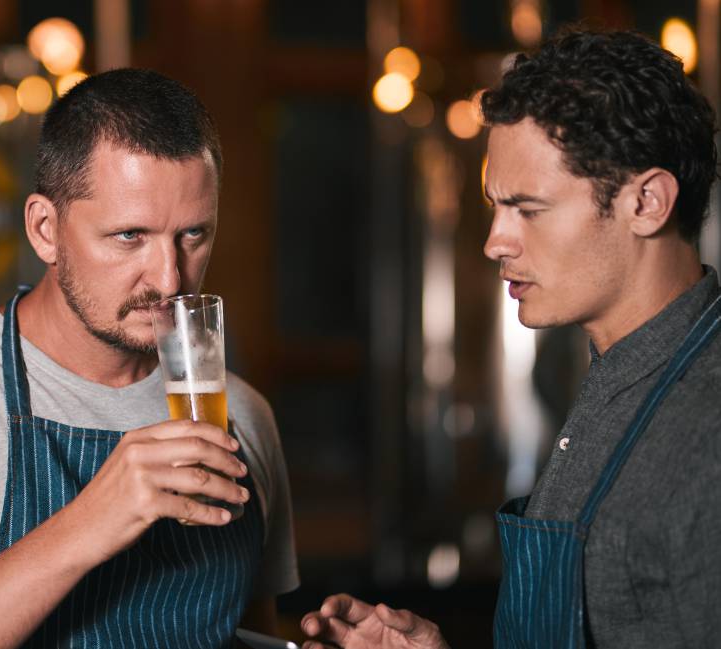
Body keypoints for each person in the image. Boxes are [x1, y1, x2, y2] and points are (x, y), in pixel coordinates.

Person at [0, 68, 298, 649]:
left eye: (193, 235)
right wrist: (90, 523)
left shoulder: (243, 414)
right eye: (129, 237)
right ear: (46, 230)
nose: (170, 278)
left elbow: (244, 635)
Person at [302, 29, 720, 649]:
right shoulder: (611, 379)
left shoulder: (707, 430)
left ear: (648, 202)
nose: (496, 241)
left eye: (528, 209)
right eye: (497, 207)